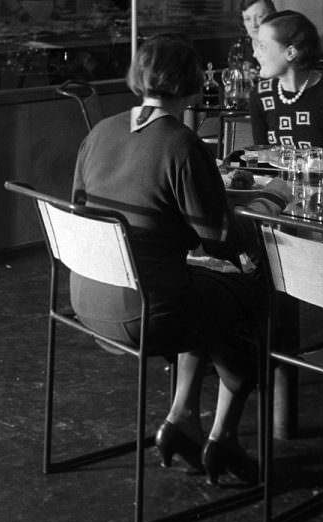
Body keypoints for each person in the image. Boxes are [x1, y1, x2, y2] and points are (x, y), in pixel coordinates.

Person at [72, 34, 290, 485]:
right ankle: (223, 436)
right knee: (256, 298)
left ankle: (182, 420)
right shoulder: (182, 143)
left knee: (198, 287)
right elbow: (219, 238)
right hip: (147, 313)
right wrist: (272, 201)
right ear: (193, 86)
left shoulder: (100, 132)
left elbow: (81, 207)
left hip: (87, 302)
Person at [249, 9, 323, 148]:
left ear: (290, 52)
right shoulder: (260, 95)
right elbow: (262, 159)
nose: (255, 54)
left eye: (262, 46)